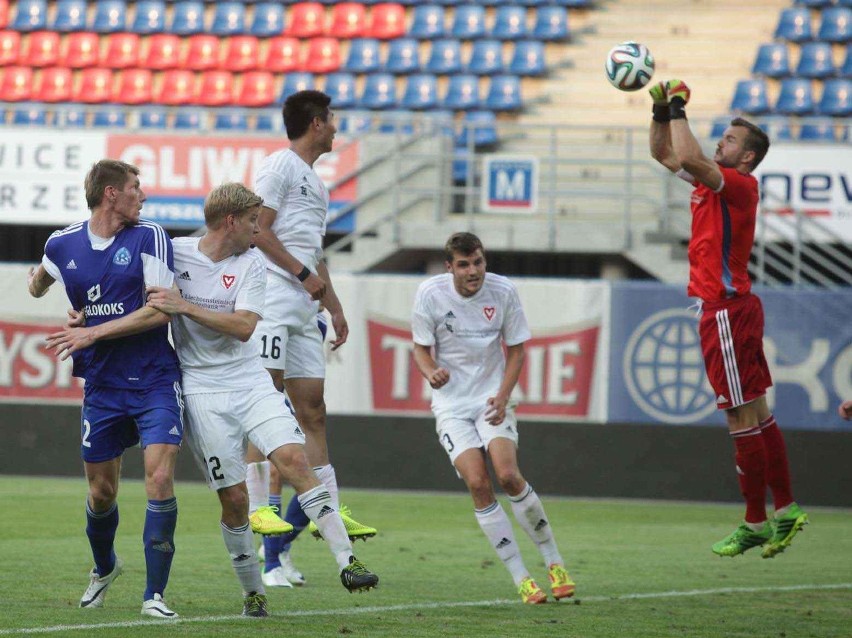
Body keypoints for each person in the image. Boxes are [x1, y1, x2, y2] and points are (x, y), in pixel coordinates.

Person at [144, 182, 379, 615]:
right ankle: (253, 590)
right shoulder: (173, 253)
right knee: (233, 501)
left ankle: (349, 563)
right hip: (202, 392)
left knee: (294, 459)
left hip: (250, 380)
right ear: (230, 221)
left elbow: (244, 327)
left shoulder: (252, 263)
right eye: (254, 220)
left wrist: (185, 307)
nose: (260, 230)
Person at [648, 79, 809, 558]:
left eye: (731, 140)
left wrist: (678, 105)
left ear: (747, 159)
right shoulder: (710, 180)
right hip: (731, 309)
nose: (722, 141)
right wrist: (660, 112)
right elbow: (664, 154)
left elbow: (693, 157)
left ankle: (754, 521)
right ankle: (787, 509)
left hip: (725, 311)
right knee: (758, 413)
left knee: (739, 416)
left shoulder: (736, 185)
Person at [26, 159, 182, 617]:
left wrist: (91, 330)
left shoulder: (150, 236)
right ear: (111, 194)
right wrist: (69, 309)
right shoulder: (62, 242)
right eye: (136, 187)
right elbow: (37, 286)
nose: (144, 195)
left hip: (154, 377)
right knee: (101, 493)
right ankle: (104, 568)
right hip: (103, 384)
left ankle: (154, 596)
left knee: (158, 477)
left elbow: (160, 312)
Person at [245, 89, 376, 583]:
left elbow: (314, 252)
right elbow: (258, 230)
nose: (338, 127)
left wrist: (334, 306)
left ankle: (333, 513)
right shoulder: (279, 167)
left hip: (304, 306)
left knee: (313, 411)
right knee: (266, 398)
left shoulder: (316, 185)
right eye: (333, 119)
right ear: (317, 122)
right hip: (276, 297)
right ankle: (261, 506)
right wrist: (302, 276)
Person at [410, 232, 576, 605]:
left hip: (490, 400)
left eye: (479, 262)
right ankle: (521, 577)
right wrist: (430, 370)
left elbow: (516, 350)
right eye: (465, 264)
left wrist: (503, 396)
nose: (474, 271)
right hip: (451, 406)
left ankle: (554, 562)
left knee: (508, 475)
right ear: (449, 267)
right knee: (478, 483)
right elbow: (420, 348)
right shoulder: (430, 294)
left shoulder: (503, 292)